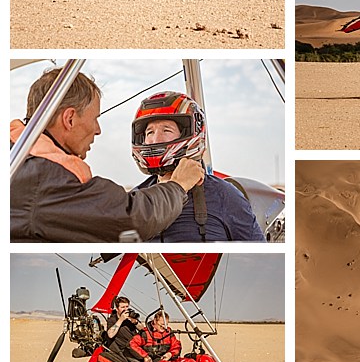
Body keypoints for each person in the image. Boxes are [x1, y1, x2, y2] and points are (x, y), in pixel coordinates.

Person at [10, 69, 204, 242]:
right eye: (95, 119)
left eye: (166, 130)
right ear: (69, 119)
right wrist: (178, 185)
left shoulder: (17, 151)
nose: (98, 130)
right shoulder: (47, 175)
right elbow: (132, 218)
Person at [131, 91, 267, 242]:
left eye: (166, 130)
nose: (155, 139)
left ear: (189, 133)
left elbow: (261, 256)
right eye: (150, 132)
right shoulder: (136, 200)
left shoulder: (224, 196)